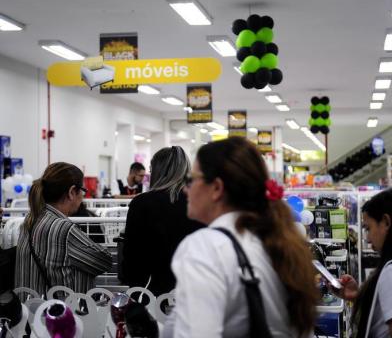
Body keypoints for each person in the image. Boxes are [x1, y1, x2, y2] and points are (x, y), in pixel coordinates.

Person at [163, 137, 319, 338]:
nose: (186, 189)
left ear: (216, 188)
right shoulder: (279, 240)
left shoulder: (206, 247)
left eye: (192, 180)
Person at [15, 162, 112, 295]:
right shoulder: (64, 229)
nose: (83, 196)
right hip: (62, 312)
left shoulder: (30, 220)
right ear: (72, 192)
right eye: (83, 190)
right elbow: (104, 261)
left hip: (31, 309)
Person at [122, 146, 204, 296]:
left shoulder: (141, 203)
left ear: (158, 171)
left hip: (151, 290)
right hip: (193, 288)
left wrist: (132, 285)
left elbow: (132, 253)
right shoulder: (201, 203)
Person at [332, 189, 392, 338]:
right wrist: (358, 296)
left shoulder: (390, 271)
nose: (368, 239)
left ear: (386, 222)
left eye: (368, 228)